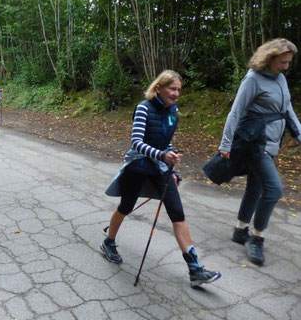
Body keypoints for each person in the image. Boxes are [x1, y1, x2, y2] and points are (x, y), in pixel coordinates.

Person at [101, 70, 221, 287]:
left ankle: (195, 268)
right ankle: (109, 242)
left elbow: (166, 143)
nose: (176, 94)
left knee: (178, 213)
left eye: (178, 90)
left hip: (160, 167)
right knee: (125, 206)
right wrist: (162, 155)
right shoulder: (143, 108)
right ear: (159, 88)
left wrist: (172, 164)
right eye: (172, 89)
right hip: (137, 166)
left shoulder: (173, 112)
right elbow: (136, 142)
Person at [219, 38, 301, 266]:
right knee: (274, 190)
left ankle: (240, 230)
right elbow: (235, 112)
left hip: (273, 143)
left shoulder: (281, 79)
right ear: (270, 57)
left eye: (288, 63)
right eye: (283, 62)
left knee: (255, 188)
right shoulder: (253, 79)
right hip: (255, 144)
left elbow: (288, 110)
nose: (286, 66)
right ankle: (256, 238)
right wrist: (225, 143)